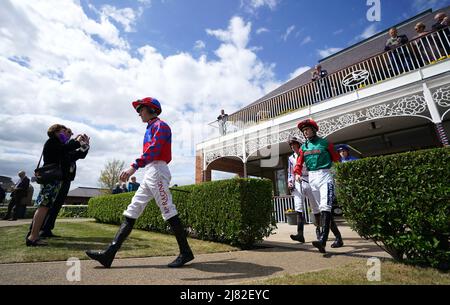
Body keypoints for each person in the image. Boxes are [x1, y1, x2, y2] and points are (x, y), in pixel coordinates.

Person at [86, 97, 194, 268]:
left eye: (140, 110)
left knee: (167, 210)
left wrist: (133, 167)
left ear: (151, 110)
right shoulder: (151, 127)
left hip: (157, 170)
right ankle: (109, 254)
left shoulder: (161, 126)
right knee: (132, 210)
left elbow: (155, 149)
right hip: (151, 171)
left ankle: (186, 252)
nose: (138, 114)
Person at [25, 124, 83, 246]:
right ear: (56, 132)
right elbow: (64, 150)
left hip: (54, 180)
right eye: (63, 130)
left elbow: (71, 153)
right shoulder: (52, 142)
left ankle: (33, 236)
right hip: (51, 179)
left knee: (45, 206)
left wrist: (81, 144)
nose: (66, 133)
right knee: (44, 206)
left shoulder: (58, 143)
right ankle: (33, 237)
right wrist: (77, 141)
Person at [294, 119, 343, 253]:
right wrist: (297, 173)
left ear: (314, 130)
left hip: (325, 176)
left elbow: (336, 159)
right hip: (312, 178)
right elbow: (299, 163)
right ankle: (338, 238)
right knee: (323, 210)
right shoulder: (304, 147)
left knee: (326, 207)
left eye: (307, 129)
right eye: (304, 131)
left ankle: (322, 240)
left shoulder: (325, 143)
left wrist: (338, 174)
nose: (305, 132)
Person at [39, 128, 90, 238]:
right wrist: (77, 141)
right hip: (57, 178)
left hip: (66, 178)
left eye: (72, 133)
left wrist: (86, 145)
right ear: (58, 132)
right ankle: (39, 229)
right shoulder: (60, 144)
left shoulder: (67, 146)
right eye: (69, 132)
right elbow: (66, 149)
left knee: (56, 206)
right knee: (49, 205)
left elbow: (79, 155)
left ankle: (46, 229)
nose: (71, 134)